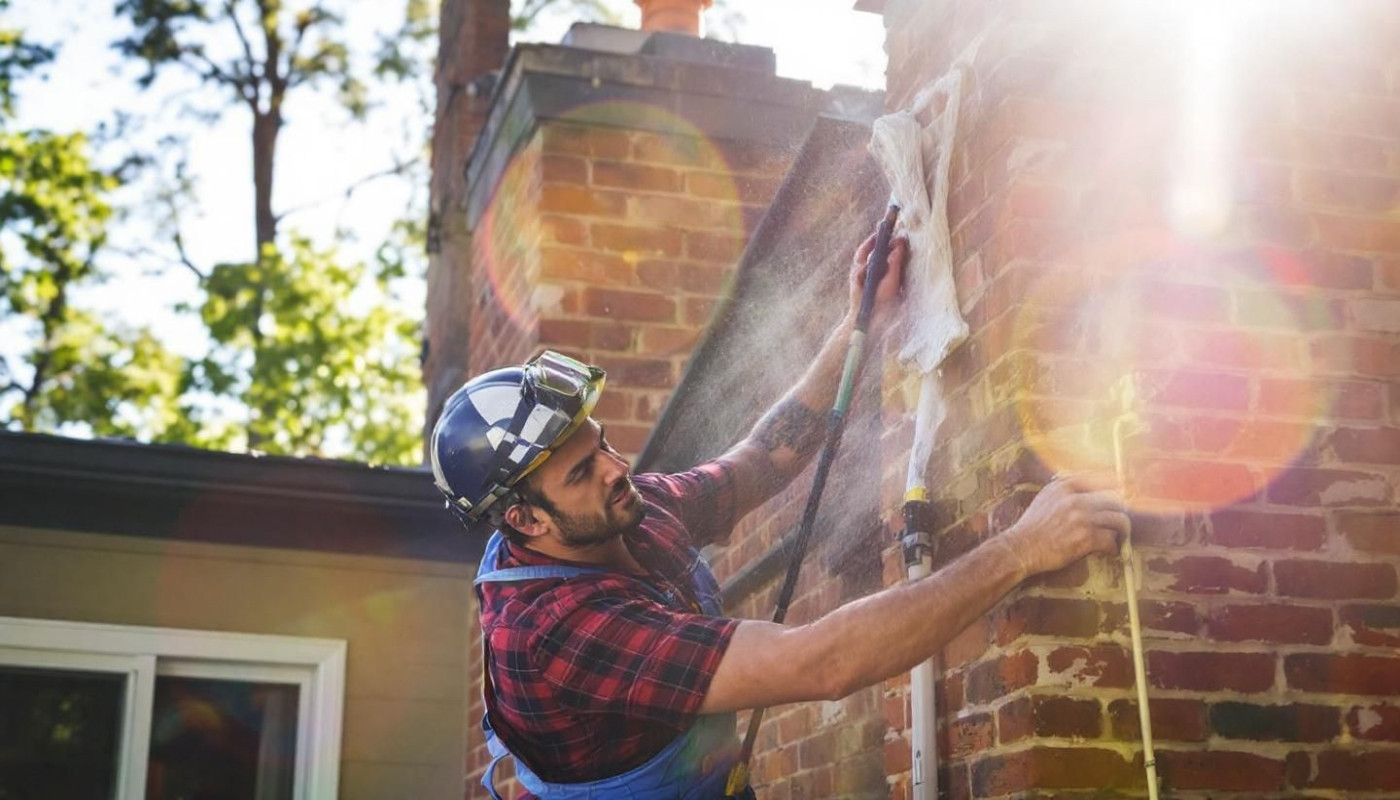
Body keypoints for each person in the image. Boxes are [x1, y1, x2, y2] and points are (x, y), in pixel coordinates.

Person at [431, 231, 1130, 799]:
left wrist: (859, 321)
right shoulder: (557, 632)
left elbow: (761, 460)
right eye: (583, 473)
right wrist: (1022, 550)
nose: (617, 468)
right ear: (524, 522)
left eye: (603, 443)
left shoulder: (622, 512)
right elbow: (823, 662)